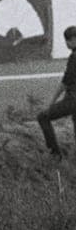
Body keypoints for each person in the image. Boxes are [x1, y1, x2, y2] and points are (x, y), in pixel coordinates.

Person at [36, 26, 76, 158]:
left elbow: (65, 83)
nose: (66, 44)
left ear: (73, 40)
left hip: (73, 100)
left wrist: (51, 103)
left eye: (68, 41)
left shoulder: (74, 57)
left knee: (43, 117)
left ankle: (55, 154)